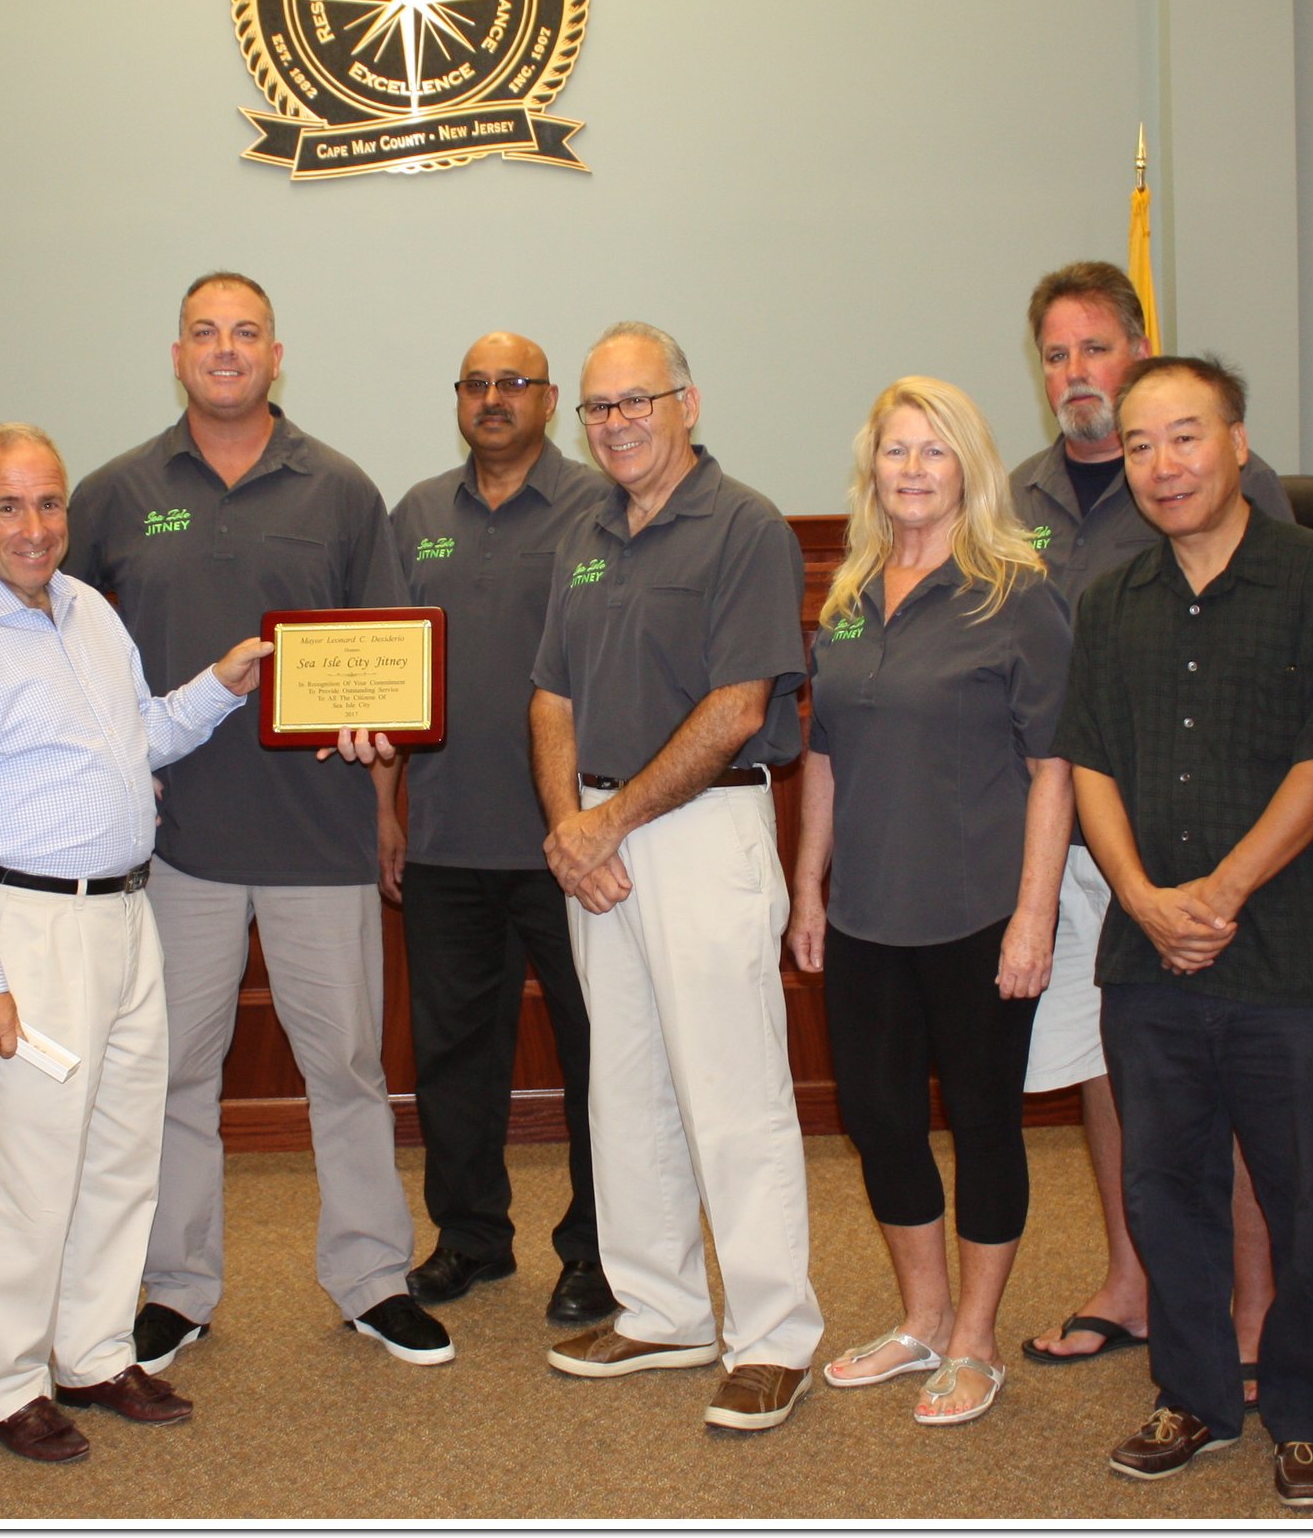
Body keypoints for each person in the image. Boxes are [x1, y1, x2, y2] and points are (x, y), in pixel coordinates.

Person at [63, 272, 450, 1370]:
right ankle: (175, 1286)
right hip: (174, 846)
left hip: (319, 839)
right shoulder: (114, 496)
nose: (225, 350)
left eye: (246, 334)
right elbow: (70, 659)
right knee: (174, 1075)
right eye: (205, 333)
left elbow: (385, 659)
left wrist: (381, 793)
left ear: (278, 354)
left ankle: (374, 1276)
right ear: (177, 352)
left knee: (350, 1071)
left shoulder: (338, 489)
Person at [0, 423, 270, 1463]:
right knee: (20, 1170)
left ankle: (94, 1351)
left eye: (49, 504)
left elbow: (137, 736)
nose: (35, 527)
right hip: (21, 930)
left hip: (124, 920)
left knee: (118, 1151)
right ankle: (7, 1383)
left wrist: (223, 686)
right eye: (8, 507)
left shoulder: (89, 611)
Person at [1050, 353, 1313, 1508]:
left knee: (1303, 1198)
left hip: (1291, 956)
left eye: (1185, 436)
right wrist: (1145, 898)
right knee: (1168, 1189)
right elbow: (1088, 761)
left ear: (1239, 443)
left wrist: (1225, 891)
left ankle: (1306, 1412)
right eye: (1140, 445)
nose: (1163, 465)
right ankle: (1192, 1396)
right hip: (1150, 961)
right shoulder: (1113, 600)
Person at [530, 321, 822, 1433]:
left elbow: (740, 706)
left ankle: (772, 1334)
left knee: (732, 1094)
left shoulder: (742, 526)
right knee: (630, 1085)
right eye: (598, 409)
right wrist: (569, 824)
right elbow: (550, 695)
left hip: (703, 831)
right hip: (599, 842)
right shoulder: (585, 530)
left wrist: (609, 820)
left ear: (687, 403)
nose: (615, 425)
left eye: (636, 402)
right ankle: (659, 1310)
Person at [1009, 262, 1288, 1389]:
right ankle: (1132, 1280)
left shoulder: (1215, 476)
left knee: (1226, 1073)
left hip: (1197, 830)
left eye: (1097, 348)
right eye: (1058, 355)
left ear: (1139, 347)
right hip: (1065, 829)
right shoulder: (1013, 493)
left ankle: (1255, 1303)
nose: (1079, 374)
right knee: (1104, 1067)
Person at [786, 377, 1074, 1427]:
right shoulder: (851, 590)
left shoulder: (1017, 591)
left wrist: (1036, 913)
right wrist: (807, 883)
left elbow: (1056, 765)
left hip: (979, 915)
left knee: (986, 1124)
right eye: (896, 450)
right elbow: (824, 750)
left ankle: (975, 1340)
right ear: (873, 469)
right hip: (865, 914)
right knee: (879, 1120)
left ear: (969, 469)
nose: (912, 469)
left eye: (934, 451)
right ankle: (920, 1319)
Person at [384, 332, 617, 1326]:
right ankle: (471, 1238)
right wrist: (383, 813)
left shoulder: (598, 508)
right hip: (441, 839)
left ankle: (600, 1251)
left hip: (570, 845)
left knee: (599, 1055)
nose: (493, 399)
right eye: (476, 384)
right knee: (451, 1059)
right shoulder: (418, 515)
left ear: (550, 399)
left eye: (512, 383)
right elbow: (383, 670)